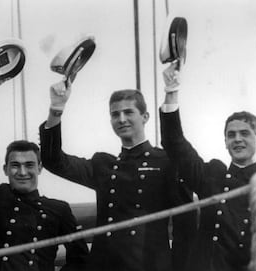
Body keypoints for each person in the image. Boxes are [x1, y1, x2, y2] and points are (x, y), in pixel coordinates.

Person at [38, 78, 192, 271]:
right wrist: (56, 109)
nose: (121, 119)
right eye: (115, 114)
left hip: (147, 264)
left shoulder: (166, 163)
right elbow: (54, 161)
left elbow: (185, 225)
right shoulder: (103, 165)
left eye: (128, 112)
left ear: (145, 117)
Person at [0, 79, 89, 271]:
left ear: (40, 168)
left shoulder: (58, 210)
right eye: (15, 165)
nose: (22, 172)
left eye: (29, 165)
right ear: (5, 169)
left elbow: (80, 260)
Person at [159, 61, 256, 271]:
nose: (237, 139)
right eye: (231, 135)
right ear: (225, 142)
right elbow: (176, 145)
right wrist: (171, 92)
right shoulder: (212, 176)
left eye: (245, 133)